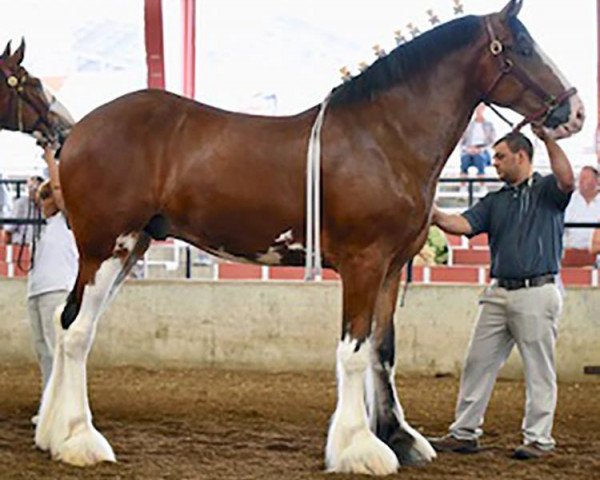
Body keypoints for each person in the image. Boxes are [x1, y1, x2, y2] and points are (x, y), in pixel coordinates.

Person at [428, 128, 574, 460]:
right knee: (478, 362)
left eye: (500, 157)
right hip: (500, 292)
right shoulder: (496, 200)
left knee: (539, 369)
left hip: (537, 289)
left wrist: (549, 138)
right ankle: (464, 432)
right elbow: (463, 224)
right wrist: (433, 213)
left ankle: (539, 438)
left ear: (521, 156)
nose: (494, 163)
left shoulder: (548, 189)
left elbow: (567, 180)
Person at [27, 146, 78, 410]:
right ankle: (49, 403)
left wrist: (50, 158)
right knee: (44, 351)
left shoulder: (67, 220)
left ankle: (59, 404)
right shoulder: (43, 227)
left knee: (55, 350)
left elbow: (60, 191)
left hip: (56, 289)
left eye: (46, 197)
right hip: (36, 290)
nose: (44, 202)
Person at [563, 165, 600, 256]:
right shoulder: (570, 200)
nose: (581, 181)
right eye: (580, 178)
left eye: (585, 178)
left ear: (596, 181)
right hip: (572, 253)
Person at [460, 104, 496, 189]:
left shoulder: (489, 125)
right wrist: (468, 149)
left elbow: (492, 142)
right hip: (469, 149)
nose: (479, 111)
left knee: (480, 159)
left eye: (481, 109)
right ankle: (463, 186)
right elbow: (462, 141)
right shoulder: (468, 125)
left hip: (482, 150)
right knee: (464, 160)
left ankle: (482, 186)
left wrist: (480, 149)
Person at [3, 175, 44, 245]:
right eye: (30, 188)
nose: (32, 192)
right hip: (22, 245)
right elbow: (8, 231)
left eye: (36, 189)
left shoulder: (46, 207)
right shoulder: (21, 203)